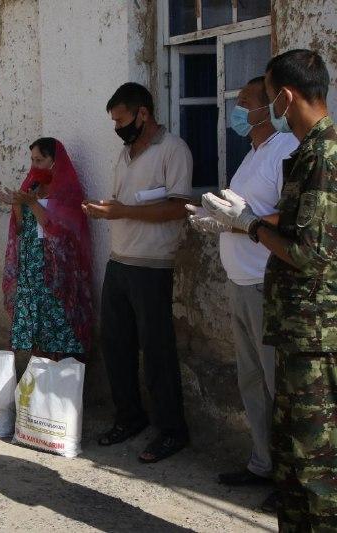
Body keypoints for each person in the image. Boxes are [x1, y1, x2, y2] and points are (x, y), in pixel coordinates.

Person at [202, 49, 337, 531]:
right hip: (292, 316)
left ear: (283, 95)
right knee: (293, 448)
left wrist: (250, 225)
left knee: (314, 460)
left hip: (313, 330)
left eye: (262, 92)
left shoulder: (320, 155)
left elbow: (309, 251)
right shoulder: (305, 152)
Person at [188, 77, 298, 512]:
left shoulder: (285, 151)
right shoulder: (252, 154)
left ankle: (292, 479)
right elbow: (243, 212)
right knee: (251, 380)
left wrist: (243, 220)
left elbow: (290, 215)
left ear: (270, 106)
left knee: (277, 384)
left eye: (245, 102)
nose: (237, 110)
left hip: (265, 283)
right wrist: (216, 218)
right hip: (240, 281)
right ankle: (263, 461)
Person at [83, 82, 192, 463]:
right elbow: (123, 202)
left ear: (143, 113)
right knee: (116, 346)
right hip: (119, 261)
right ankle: (129, 417)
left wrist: (123, 211)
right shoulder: (125, 153)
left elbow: (179, 207)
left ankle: (172, 430)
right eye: (114, 121)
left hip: (152, 265)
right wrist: (105, 208)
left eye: (121, 119)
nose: (117, 128)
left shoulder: (173, 150)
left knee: (158, 350)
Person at [0, 138, 93, 361]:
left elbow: (58, 230)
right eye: (32, 160)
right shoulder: (31, 186)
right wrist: (17, 205)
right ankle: (39, 377)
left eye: (40, 160)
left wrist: (32, 204)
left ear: (54, 160)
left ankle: (61, 382)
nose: (35, 165)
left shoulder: (67, 190)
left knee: (59, 326)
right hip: (32, 269)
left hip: (55, 270)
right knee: (35, 328)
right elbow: (20, 229)